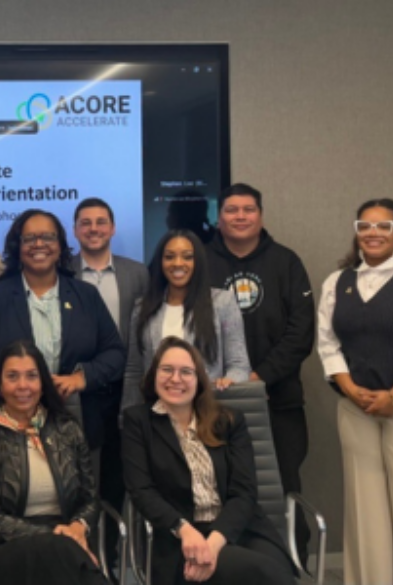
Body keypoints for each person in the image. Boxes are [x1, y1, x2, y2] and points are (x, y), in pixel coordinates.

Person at [121, 336, 296, 585]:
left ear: (198, 379)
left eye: (186, 372)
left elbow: (244, 492)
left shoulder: (228, 420)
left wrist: (213, 545)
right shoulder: (138, 422)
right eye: (167, 370)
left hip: (237, 529)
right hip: (180, 537)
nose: (175, 379)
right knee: (264, 574)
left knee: (273, 571)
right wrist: (185, 531)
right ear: (154, 375)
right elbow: (141, 491)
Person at [205, 183, 315, 564]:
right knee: (219, 488)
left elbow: (301, 332)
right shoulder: (201, 261)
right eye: (231, 210)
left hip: (278, 402)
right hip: (212, 403)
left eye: (248, 210)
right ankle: (229, 566)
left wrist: (259, 378)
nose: (240, 217)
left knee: (283, 485)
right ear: (219, 219)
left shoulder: (286, 262)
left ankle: (292, 563)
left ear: (260, 215)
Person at [0, 209, 125, 453]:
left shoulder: (86, 295)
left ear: (60, 246)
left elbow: (114, 353)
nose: (38, 244)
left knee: (79, 490)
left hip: (78, 418)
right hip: (11, 420)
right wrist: (18, 381)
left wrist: (82, 377)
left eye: (48, 237)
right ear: (18, 247)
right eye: (29, 239)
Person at [0, 340, 108, 585]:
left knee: (61, 560)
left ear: (43, 384)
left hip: (65, 542)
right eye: (12, 376)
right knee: (64, 559)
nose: (23, 386)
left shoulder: (68, 429)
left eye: (31, 376)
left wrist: (78, 527)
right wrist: (57, 535)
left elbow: (89, 499)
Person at [318, 198, 393, 585]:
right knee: (364, 506)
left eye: (383, 226)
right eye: (365, 226)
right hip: (355, 408)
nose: (373, 233)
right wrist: (351, 389)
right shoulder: (338, 282)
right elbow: (327, 343)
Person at [71, 197, 148, 559]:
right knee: (82, 474)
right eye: (85, 223)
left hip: (126, 388)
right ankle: (82, 549)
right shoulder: (64, 272)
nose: (94, 229)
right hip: (78, 389)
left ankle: (114, 555)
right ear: (75, 230)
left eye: (101, 222)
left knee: (119, 472)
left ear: (113, 228)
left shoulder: (138, 273)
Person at [122, 229, 249, 414]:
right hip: (155, 416)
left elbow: (239, 365)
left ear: (198, 262)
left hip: (207, 413)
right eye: (169, 257)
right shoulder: (143, 306)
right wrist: (127, 417)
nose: (178, 263)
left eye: (187, 257)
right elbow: (134, 370)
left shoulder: (223, 302)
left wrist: (230, 381)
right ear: (160, 262)